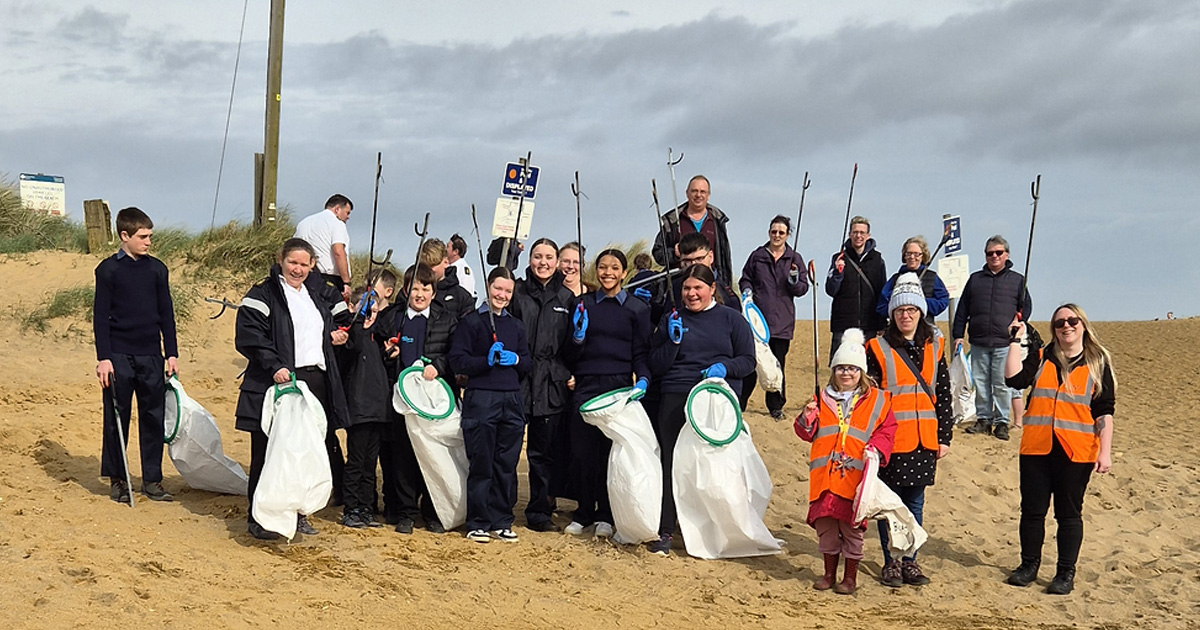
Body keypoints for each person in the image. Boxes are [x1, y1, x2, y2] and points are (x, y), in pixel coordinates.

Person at [234, 238, 350, 540]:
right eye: (292, 263)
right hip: (278, 382)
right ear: (281, 260)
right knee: (268, 453)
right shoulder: (264, 293)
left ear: (312, 265)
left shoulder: (320, 292)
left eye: (303, 264)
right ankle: (259, 518)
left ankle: (298, 515)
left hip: (315, 383)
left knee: (305, 454)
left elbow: (343, 318)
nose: (297, 269)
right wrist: (274, 366)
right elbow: (249, 336)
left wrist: (337, 334)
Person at [1004, 304, 1115, 595]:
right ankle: (1028, 566)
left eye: (1072, 320)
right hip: (1036, 448)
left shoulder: (1098, 362)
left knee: (1068, 514)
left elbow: (1104, 411)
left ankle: (1065, 573)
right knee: (1032, 511)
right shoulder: (1041, 358)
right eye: (1059, 323)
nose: (1066, 326)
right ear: (1053, 329)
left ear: (1083, 324)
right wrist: (1015, 341)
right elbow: (1013, 379)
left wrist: (1105, 451)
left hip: (1076, 452)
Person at [648, 264, 755, 556]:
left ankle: (717, 529)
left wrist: (725, 367)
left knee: (714, 465)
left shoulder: (732, 320)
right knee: (672, 461)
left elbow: (748, 361)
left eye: (698, 288)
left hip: (714, 398)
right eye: (686, 288)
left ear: (712, 289)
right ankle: (666, 530)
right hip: (675, 394)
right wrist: (672, 342)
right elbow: (655, 364)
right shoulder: (673, 319)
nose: (692, 294)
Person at [864, 273, 953, 587]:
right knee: (891, 504)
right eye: (900, 310)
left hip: (924, 439)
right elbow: (869, 397)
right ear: (893, 314)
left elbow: (943, 392)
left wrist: (945, 436)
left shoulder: (935, 346)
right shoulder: (876, 347)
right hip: (892, 439)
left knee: (915, 503)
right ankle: (891, 562)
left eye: (912, 310)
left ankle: (911, 561)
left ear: (921, 312)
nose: (906, 315)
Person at [794, 328, 897, 595]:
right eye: (841, 368)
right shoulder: (820, 398)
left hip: (854, 481)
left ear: (861, 372)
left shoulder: (878, 400)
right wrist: (807, 418)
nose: (846, 373)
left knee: (852, 531)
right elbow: (806, 432)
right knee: (826, 529)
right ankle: (829, 574)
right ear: (833, 371)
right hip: (825, 480)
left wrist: (876, 449)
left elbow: (888, 430)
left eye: (852, 368)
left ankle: (850, 577)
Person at [562, 249, 652, 540]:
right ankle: (584, 512)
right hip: (586, 384)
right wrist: (577, 336)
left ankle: (606, 514)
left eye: (614, 267)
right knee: (582, 453)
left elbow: (641, 352)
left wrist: (644, 379)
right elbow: (569, 351)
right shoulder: (583, 304)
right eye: (602, 267)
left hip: (619, 387)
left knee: (609, 453)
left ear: (624, 273)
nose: (608, 272)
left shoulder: (636, 309)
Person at [93, 206, 178, 503]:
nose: (149, 242)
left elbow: (166, 313)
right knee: (118, 416)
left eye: (150, 236)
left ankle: (152, 480)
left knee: (153, 417)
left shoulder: (157, 269)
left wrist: (172, 353)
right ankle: (118, 479)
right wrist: (103, 358)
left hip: (151, 355)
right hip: (117, 355)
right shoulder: (108, 270)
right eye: (143, 236)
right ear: (124, 236)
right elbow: (100, 316)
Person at [449, 267, 532, 543]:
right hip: (481, 398)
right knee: (482, 462)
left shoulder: (516, 326)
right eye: (498, 289)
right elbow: (458, 361)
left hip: (511, 399)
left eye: (508, 291)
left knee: (505, 463)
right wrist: (485, 360)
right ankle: (478, 521)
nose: (503, 295)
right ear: (488, 286)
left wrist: (516, 360)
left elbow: (527, 362)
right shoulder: (471, 322)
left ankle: (501, 520)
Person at [378, 264, 458, 533]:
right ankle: (406, 512)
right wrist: (388, 353)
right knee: (403, 457)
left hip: (433, 401)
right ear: (405, 290)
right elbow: (378, 347)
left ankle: (432, 512)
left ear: (433, 292)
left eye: (426, 288)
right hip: (402, 399)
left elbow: (454, 354)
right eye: (415, 288)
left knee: (431, 456)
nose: (420, 294)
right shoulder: (392, 317)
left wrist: (439, 365)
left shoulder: (446, 319)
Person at [508, 238, 576, 532]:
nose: (543, 263)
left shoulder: (568, 298)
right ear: (530, 259)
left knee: (543, 453)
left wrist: (568, 371)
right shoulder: (518, 292)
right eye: (538, 257)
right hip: (518, 378)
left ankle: (539, 511)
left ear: (558, 261)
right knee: (508, 449)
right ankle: (501, 507)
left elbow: (574, 346)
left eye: (549, 257)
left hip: (551, 383)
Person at [952, 235, 1032, 441]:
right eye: (990, 253)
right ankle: (984, 419)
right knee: (980, 382)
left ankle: (1002, 421)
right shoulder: (975, 279)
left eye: (998, 253)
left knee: (1001, 383)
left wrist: (1018, 322)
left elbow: (1026, 306)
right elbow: (962, 309)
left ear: (1006, 254)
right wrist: (958, 335)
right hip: (978, 341)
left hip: (1003, 343)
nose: (994, 256)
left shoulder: (1017, 280)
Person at [738, 214, 810, 420]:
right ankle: (740, 403)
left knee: (776, 366)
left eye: (781, 232)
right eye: (774, 231)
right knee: (750, 363)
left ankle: (776, 406)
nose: (777, 235)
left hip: (782, 322)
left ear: (787, 235)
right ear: (769, 232)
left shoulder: (795, 259)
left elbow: (802, 288)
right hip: (756, 321)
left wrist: (794, 280)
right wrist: (747, 292)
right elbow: (745, 279)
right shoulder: (757, 255)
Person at [336, 287, 389, 529]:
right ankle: (351, 507)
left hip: (378, 409)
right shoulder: (350, 336)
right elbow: (352, 350)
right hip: (358, 409)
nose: (371, 314)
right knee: (356, 461)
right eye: (368, 309)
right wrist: (358, 319)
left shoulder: (377, 338)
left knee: (370, 462)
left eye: (375, 310)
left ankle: (367, 507)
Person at [651, 175, 734, 283]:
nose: (698, 195)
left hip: (709, 284)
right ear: (687, 193)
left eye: (702, 191)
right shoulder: (673, 221)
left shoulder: (717, 221)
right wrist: (674, 254)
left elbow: (723, 260)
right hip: (679, 283)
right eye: (694, 191)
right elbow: (658, 252)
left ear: (708, 195)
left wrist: (725, 285)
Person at [825, 216, 887, 361]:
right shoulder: (838, 258)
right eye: (855, 232)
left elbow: (882, 292)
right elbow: (830, 290)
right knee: (840, 364)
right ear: (850, 234)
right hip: (843, 324)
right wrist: (837, 273)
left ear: (868, 236)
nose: (858, 236)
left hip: (869, 325)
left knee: (869, 367)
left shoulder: (877, 260)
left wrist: (882, 323)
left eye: (862, 232)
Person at [875, 236, 950, 327]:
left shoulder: (932, 277)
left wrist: (920, 302)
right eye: (909, 253)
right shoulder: (895, 279)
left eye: (916, 254)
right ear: (904, 255)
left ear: (923, 256)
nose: (912, 257)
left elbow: (942, 302)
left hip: (925, 329)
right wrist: (899, 304)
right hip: (900, 330)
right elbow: (882, 306)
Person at [294, 194, 353, 301]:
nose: (348, 217)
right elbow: (338, 252)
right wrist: (346, 282)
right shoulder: (337, 224)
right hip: (329, 280)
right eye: (347, 213)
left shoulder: (304, 223)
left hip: (304, 277)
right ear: (337, 209)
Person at [420, 238, 475, 321]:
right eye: (425, 265)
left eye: (433, 265)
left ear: (445, 262)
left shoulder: (462, 297)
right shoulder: (410, 291)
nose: (429, 270)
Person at [447, 233, 477, 298]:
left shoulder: (463, 269)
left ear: (455, 251)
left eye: (448, 247)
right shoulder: (446, 266)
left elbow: (467, 292)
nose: (445, 249)